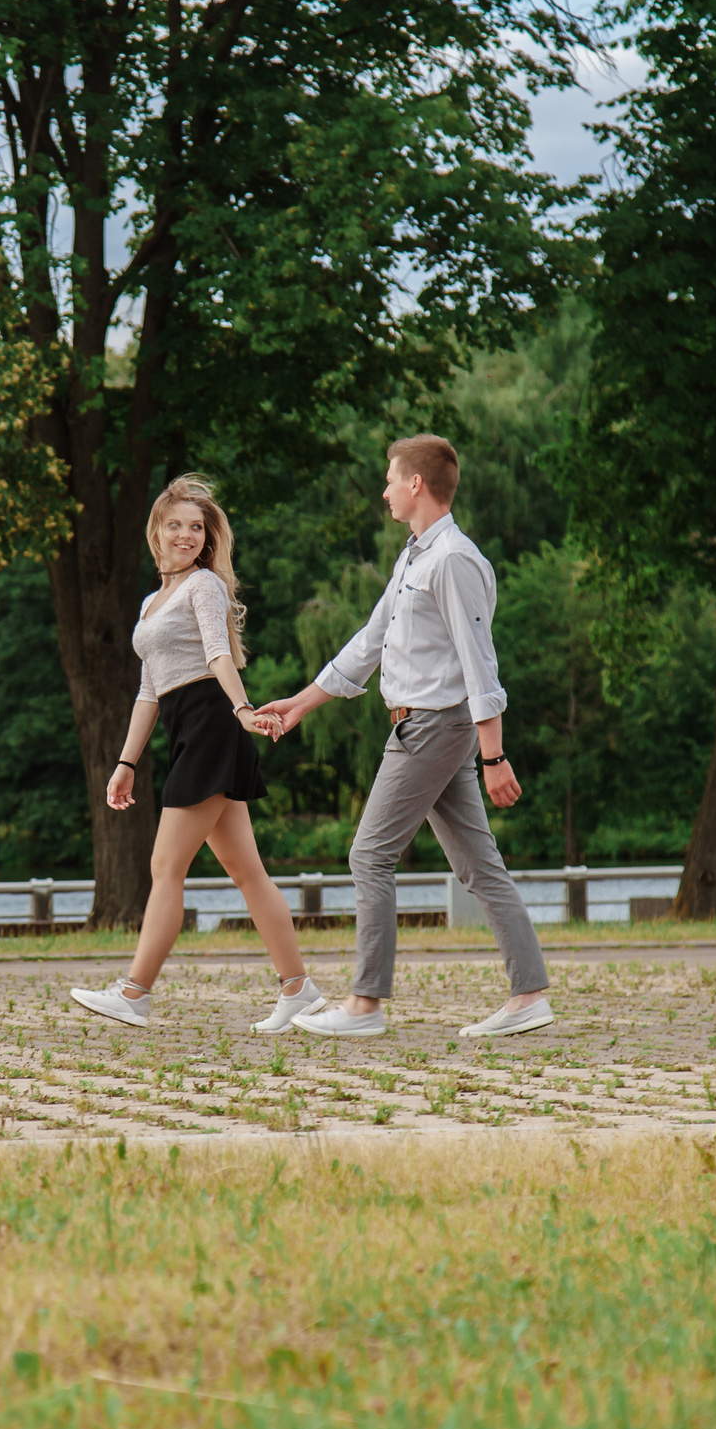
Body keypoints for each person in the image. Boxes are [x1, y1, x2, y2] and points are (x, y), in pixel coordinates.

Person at [260, 435, 551, 1039]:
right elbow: (371, 640)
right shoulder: (415, 557)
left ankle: (365, 1005)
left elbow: (479, 662)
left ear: (416, 483)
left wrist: (495, 755)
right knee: (478, 865)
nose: (385, 490)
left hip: (433, 727)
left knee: (369, 855)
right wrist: (301, 704)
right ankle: (529, 996)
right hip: (426, 725)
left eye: (391, 478)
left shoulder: (454, 561)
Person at [66, 476, 329, 1033]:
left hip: (212, 724)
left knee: (166, 867)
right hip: (186, 727)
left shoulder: (203, 585)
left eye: (196, 527)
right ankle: (299, 989)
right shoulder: (151, 602)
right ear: (156, 533)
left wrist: (242, 710)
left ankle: (134, 994)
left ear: (207, 538)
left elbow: (217, 653)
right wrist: (125, 763)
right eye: (175, 525)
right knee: (248, 872)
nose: (185, 535)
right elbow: (148, 690)